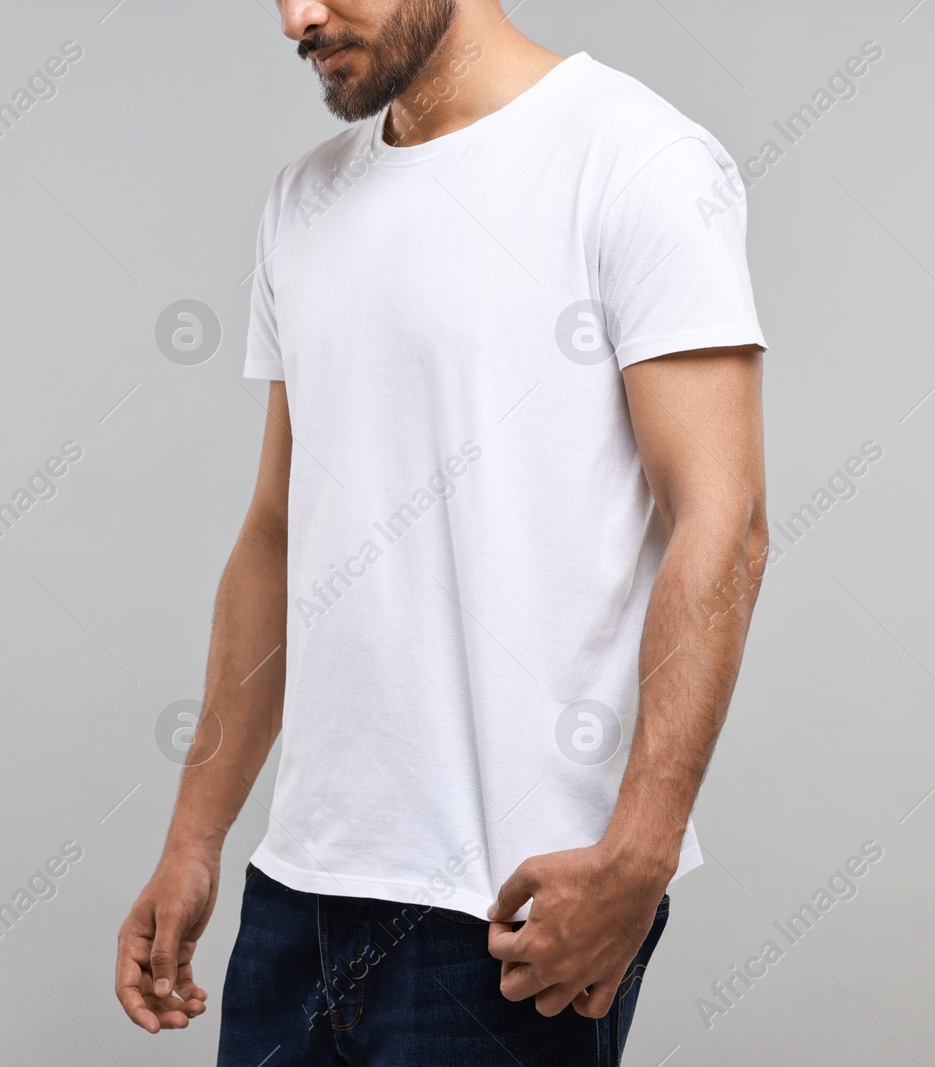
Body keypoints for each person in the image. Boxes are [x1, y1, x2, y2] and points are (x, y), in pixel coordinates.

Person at [116, 1, 768, 1063]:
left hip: (514, 903)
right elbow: (278, 534)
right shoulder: (301, 201)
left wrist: (637, 857)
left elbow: (724, 523)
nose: (297, 16)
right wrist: (195, 839)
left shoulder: (634, 157)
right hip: (301, 891)